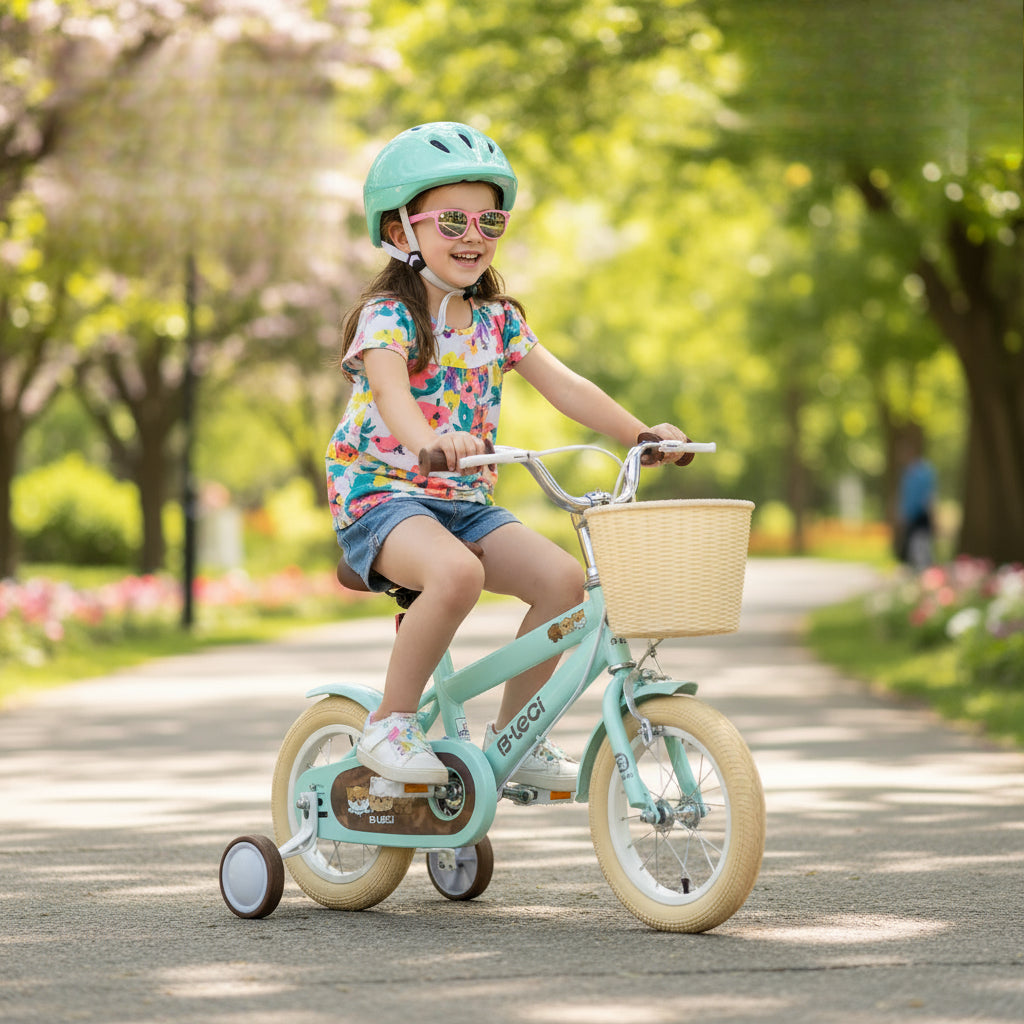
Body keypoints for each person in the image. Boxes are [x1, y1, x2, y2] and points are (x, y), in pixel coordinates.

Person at [326, 122, 692, 787]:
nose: (474, 236)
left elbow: (567, 386)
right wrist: (427, 442)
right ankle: (390, 722)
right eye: (453, 220)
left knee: (562, 583)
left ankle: (515, 738)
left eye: (489, 220)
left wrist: (642, 434)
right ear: (401, 231)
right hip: (381, 497)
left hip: (463, 500)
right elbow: (391, 392)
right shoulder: (389, 316)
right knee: (457, 575)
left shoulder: (499, 320)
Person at [896, 424, 936, 572]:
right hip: (911, 519)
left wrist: (932, 518)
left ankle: (927, 581)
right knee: (913, 553)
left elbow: (929, 497)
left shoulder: (924, 472)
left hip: (921, 518)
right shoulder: (907, 473)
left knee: (921, 553)